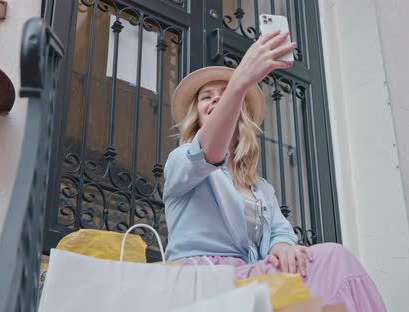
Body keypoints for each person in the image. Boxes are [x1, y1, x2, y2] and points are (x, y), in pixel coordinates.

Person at [163, 30, 386, 311]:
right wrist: (240, 82)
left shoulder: (261, 188)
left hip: (249, 278)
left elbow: (281, 232)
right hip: (200, 281)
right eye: (206, 97)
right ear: (196, 112)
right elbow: (207, 153)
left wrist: (281, 247)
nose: (216, 100)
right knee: (335, 258)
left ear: (239, 113)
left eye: (224, 95)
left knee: (332, 270)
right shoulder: (180, 161)